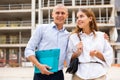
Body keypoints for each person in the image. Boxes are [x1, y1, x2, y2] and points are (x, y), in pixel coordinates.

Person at [24, 4, 69, 80]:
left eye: (63, 13)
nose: (60, 15)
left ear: (67, 15)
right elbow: (28, 50)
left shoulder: (68, 35)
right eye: (57, 13)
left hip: (58, 75)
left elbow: (68, 55)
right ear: (52, 14)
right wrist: (39, 66)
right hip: (40, 74)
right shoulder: (41, 29)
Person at [67, 8, 114, 80]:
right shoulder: (73, 37)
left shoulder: (101, 36)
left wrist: (98, 54)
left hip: (98, 75)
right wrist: (77, 52)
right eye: (77, 17)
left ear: (90, 18)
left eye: (81, 16)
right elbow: (68, 57)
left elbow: (109, 56)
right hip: (79, 75)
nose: (78, 19)